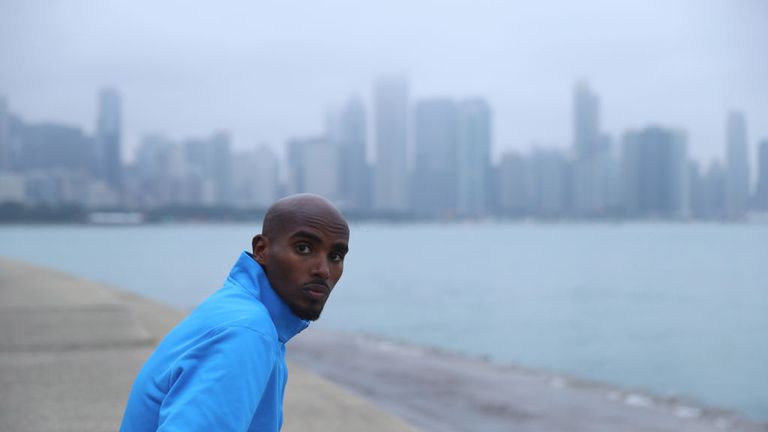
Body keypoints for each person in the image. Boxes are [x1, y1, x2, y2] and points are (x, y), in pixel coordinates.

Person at [120, 194, 350, 431]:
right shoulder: (246, 331)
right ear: (261, 250)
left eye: (336, 256)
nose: (323, 270)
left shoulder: (241, 310)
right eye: (303, 248)